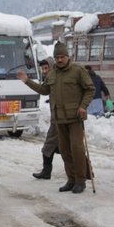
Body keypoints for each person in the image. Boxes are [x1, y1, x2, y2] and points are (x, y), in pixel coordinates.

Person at [17, 42, 94, 194]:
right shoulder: (52, 73)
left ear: (68, 57)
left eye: (62, 57)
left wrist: (83, 106)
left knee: (77, 149)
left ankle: (80, 180)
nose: (59, 60)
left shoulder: (77, 71)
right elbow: (44, 90)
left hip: (75, 118)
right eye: (57, 57)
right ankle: (71, 180)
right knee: (65, 151)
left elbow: (90, 89)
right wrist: (27, 81)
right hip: (59, 118)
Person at [31, 58, 60, 180]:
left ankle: (84, 173)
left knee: (70, 149)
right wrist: (27, 81)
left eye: (46, 68)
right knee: (50, 148)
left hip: (65, 120)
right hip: (56, 121)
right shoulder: (50, 80)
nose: (44, 71)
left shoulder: (60, 79)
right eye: (42, 69)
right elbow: (43, 90)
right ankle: (46, 172)